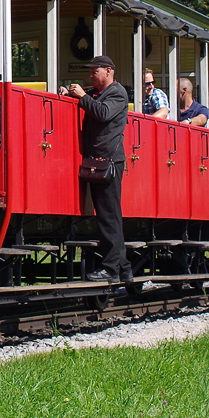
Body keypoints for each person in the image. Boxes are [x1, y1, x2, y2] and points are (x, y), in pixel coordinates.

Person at [59, 55, 130, 283]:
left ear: (108, 71)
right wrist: (69, 94)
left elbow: (102, 113)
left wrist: (81, 96)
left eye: (94, 71)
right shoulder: (96, 94)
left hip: (109, 161)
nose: (90, 75)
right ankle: (124, 268)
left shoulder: (118, 93)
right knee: (109, 217)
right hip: (97, 160)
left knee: (109, 217)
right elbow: (92, 104)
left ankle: (111, 269)